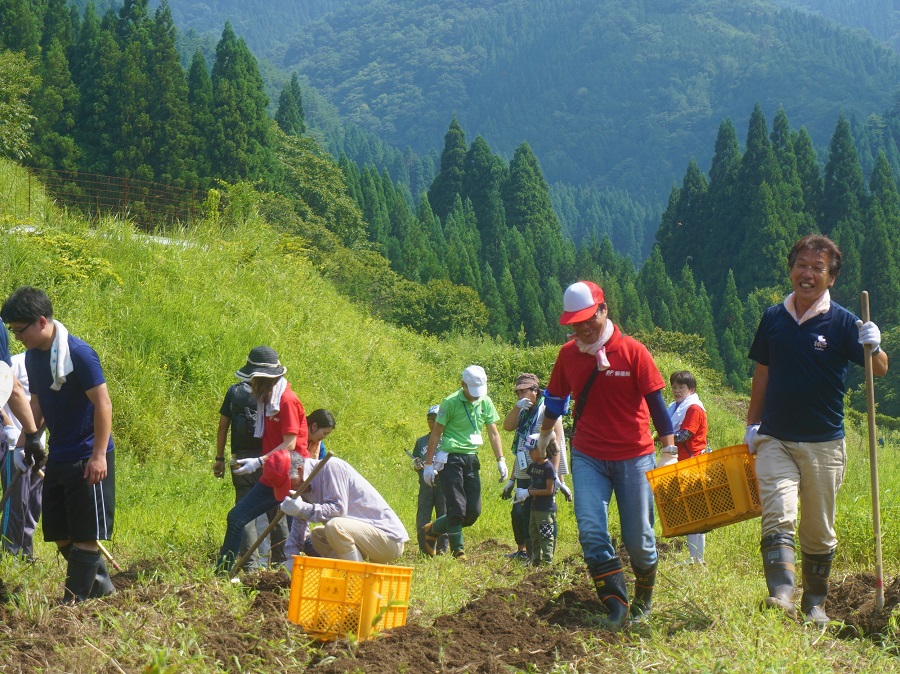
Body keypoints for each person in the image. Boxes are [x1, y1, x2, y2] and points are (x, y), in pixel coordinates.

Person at [745, 234, 888, 627]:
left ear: (831, 278)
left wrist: (873, 346)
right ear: (791, 269)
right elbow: (762, 372)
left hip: (825, 443)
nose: (807, 274)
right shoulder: (774, 317)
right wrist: (751, 424)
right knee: (779, 512)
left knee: (818, 529)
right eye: (801, 265)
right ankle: (781, 594)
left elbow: (880, 370)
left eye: (817, 268)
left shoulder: (843, 322)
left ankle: (815, 603)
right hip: (775, 436)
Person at [536, 280, 675, 629]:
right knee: (592, 530)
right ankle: (617, 607)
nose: (582, 327)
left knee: (639, 540)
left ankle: (644, 596)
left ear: (603, 310)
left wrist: (669, 448)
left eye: (587, 319)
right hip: (588, 455)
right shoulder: (568, 355)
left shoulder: (633, 351)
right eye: (574, 322)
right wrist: (541, 436)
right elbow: (555, 399)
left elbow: (657, 404)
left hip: (634, 455)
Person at [2, 286, 115, 602]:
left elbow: (103, 404)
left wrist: (98, 456)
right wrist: (28, 441)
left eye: (19, 330)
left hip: (87, 453)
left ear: (40, 321)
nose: (17, 337)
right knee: (60, 533)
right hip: (60, 454)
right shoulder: (34, 357)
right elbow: (37, 403)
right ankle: (103, 592)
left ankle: (73, 603)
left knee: (85, 535)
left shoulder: (79, 354)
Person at [216, 346, 308, 573]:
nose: (252, 385)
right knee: (238, 517)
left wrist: (258, 461)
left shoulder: (286, 400)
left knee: (282, 521)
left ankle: (285, 571)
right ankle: (222, 573)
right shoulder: (268, 401)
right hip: (273, 470)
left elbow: (290, 444)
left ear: (264, 380)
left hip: (289, 473)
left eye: (255, 380)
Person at [421, 365, 507, 561]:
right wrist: (428, 464)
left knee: (473, 511)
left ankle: (433, 529)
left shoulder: (485, 401)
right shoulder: (450, 402)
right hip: (450, 459)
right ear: (463, 385)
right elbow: (436, 433)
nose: (476, 396)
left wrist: (500, 459)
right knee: (457, 508)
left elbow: (493, 432)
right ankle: (458, 550)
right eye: (472, 391)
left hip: (471, 459)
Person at [280, 450, 408, 566]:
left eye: (290, 482)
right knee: (317, 536)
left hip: (388, 540)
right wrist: (292, 557)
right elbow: (299, 524)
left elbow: (338, 510)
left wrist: (303, 508)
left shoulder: (330, 467)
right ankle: (348, 572)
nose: (291, 488)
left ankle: (354, 578)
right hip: (365, 539)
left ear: (300, 470)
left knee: (335, 526)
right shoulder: (302, 486)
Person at [501, 373, 569, 561]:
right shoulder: (523, 410)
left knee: (542, 513)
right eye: (518, 392)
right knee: (520, 511)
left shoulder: (548, 410)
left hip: (543, 470)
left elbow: (557, 444)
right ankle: (526, 552)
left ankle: (545, 555)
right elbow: (508, 428)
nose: (521, 395)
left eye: (525, 390)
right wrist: (512, 479)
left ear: (535, 390)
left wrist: (555, 476)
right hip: (524, 467)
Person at [213, 377, 268, 569]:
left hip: (241, 458)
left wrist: (219, 457)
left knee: (244, 510)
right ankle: (281, 563)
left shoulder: (234, 392)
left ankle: (250, 566)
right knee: (276, 509)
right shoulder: (273, 391)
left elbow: (223, 426)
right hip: (268, 457)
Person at [659, 370, 708, 564]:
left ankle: (699, 559)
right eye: (674, 387)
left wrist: (661, 438)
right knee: (688, 513)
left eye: (681, 387)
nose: (676, 391)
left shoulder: (694, 408)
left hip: (693, 463)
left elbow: (685, 435)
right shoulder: (675, 407)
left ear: (691, 389)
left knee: (696, 512)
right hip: (680, 463)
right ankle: (693, 558)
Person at [0, 353, 45, 559]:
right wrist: (9, 425)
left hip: (38, 447)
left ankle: (26, 554)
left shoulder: (52, 368)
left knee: (33, 506)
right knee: (15, 504)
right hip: (15, 449)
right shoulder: (17, 363)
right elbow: (4, 393)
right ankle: (9, 553)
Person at [512, 433, 558, 566]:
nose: (529, 453)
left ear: (542, 449)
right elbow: (533, 483)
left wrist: (529, 492)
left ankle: (547, 561)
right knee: (534, 533)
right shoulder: (533, 466)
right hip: (534, 507)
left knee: (545, 534)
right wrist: (523, 494)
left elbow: (550, 490)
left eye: (532, 451)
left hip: (545, 509)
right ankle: (536, 559)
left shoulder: (548, 468)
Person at [411, 405, 449, 556]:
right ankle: (424, 550)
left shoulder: (448, 440)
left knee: (443, 516)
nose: (432, 423)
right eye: (430, 419)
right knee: (423, 518)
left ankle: (442, 550)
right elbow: (416, 459)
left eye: (436, 419)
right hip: (426, 486)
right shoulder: (421, 442)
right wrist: (416, 466)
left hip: (444, 485)